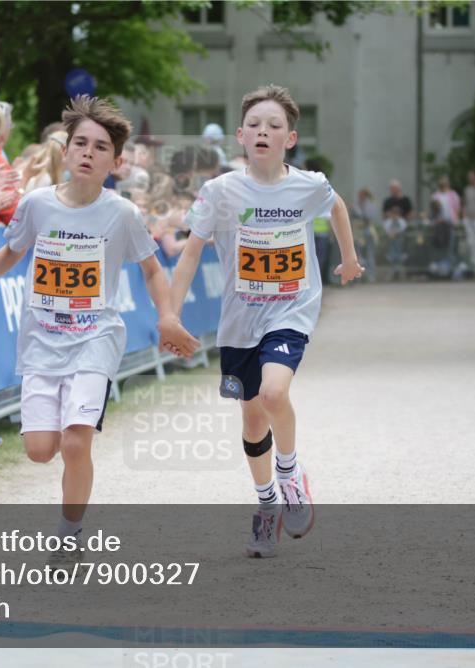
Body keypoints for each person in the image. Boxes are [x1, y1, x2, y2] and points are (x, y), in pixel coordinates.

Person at [0, 96, 198, 568]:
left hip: (95, 337)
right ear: (67, 150)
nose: (88, 152)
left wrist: (166, 316)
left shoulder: (121, 213)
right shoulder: (37, 204)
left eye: (100, 148)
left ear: (116, 162)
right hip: (42, 339)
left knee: (77, 441)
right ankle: (66, 501)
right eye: (80, 142)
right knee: (41, 451)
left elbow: (153, 269)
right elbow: (11, 252)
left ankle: (70, 531)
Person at [168, 84, 363, 558]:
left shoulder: (309, 185)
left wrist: (349, 258)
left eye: (274, 126)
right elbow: (191, 251)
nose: (263, 131)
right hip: (240, 322)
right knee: (253, 421)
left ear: (289, 139)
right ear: (239, 135)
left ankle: (291, 475)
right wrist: (169, 315)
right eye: (255, 124)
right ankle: (266, 507)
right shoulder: (220, 191)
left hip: (290, 311)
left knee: (275, 393)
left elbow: (336, 205)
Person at [351, 187, 378, 282]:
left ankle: (371, 276)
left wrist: (362, 214)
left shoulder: (370, 205)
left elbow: (368, 217)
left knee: (370, 254)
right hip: (359, 232)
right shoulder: (356, 204)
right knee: (359, 254)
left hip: (368, 231)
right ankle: (360, 276)